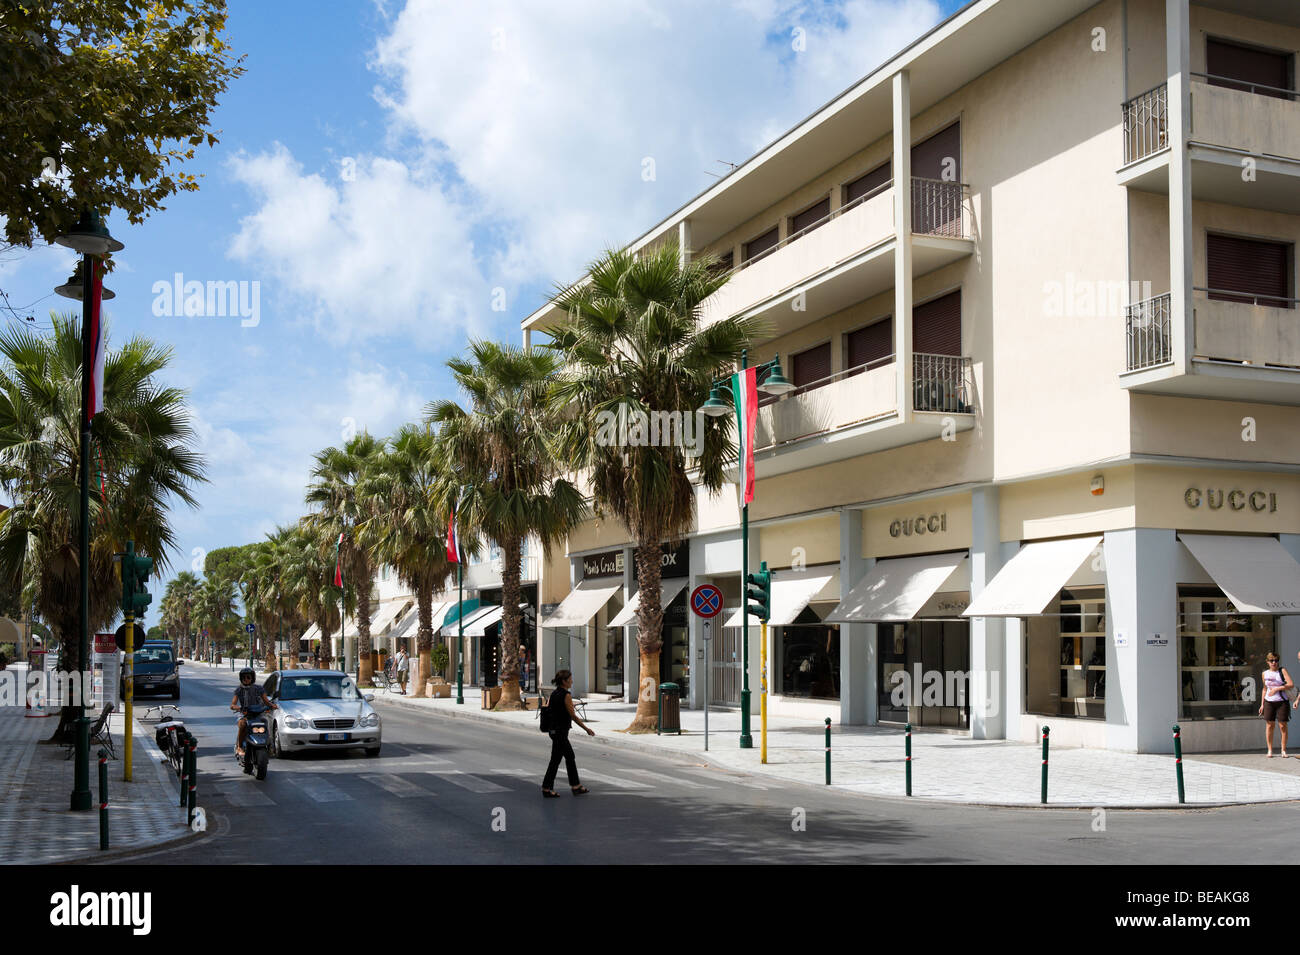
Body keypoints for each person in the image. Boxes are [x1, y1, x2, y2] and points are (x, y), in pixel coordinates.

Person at [541, 669, 593, 797]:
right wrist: (587, 729)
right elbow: (573, 716)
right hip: (561, 732)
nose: (572, 681)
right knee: (567, 757)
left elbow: (553, 709)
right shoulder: (566, 695)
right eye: (570, 679)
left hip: (553, 731)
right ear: (564, 681)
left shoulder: (554, 694)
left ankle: (549, 787)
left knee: (558, 759)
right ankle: (573, 786)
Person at [229, 667, 276, 757]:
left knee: (267, 724)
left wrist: (272, 706)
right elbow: (233, 704)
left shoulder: (259, 688)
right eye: (244, 678)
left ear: (252, 678)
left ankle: (270, 746)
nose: (246, 680)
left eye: (248, 677)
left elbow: (266, 701)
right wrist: (238, 708)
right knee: (242, 724)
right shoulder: (239, 690)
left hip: (258, 714)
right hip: (245, 714)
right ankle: (239, 747)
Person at [1259, 652, 1293, 757]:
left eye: (1276, 660)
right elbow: (1264, 689)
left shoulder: (1282, 670)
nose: (1274, 663)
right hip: (1269, 701)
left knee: (1282, 725)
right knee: (1270, 725)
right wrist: (1262, 704)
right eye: (1272, 660)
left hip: (1282, 701)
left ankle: (1283, 750)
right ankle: (1270, 750)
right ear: (1267, 662)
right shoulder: (1264, 673)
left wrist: (1277, 688)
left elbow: (1291, 684)